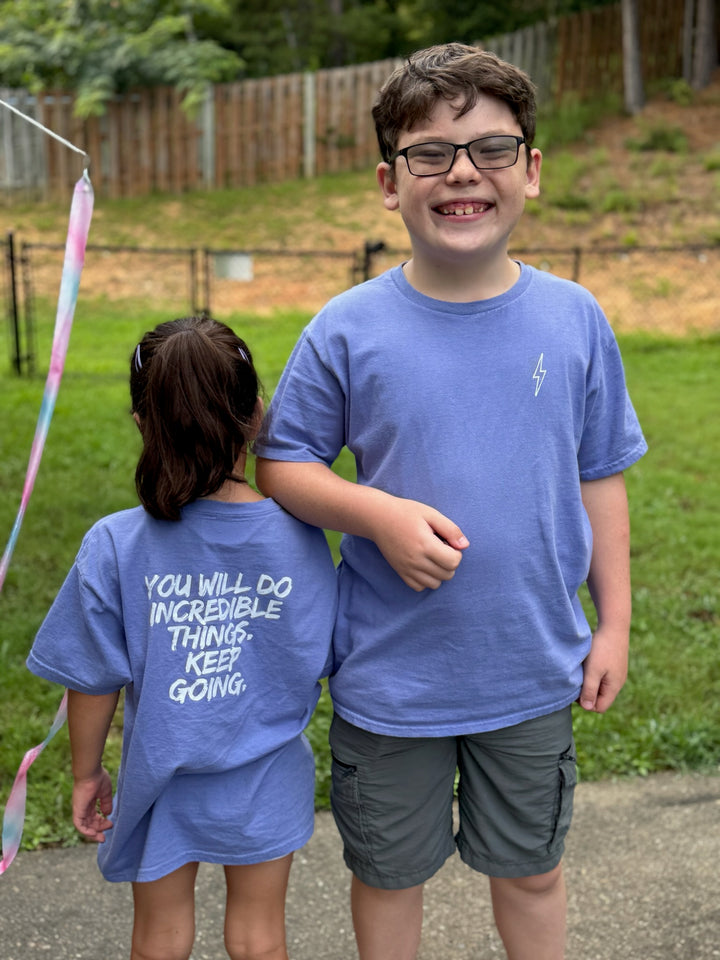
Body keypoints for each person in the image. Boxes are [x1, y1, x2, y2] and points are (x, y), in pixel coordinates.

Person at [254, 43, 647, 960]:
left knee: (534, 871)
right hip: (391, 678)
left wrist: (615, 622)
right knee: (390, 878)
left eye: (491, 148)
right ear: (390, 183)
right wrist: (377, 514)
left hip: (529, 666)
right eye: (430, 152)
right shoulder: (345, 329)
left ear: (531, 170)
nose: (463, 171)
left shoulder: (576, 318)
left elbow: (602, 475)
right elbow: (282, 465)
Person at [26, 316, 337, 960]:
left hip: (160, 777)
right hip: (269, 775)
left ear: (142, 423)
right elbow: (324, 652)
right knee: (260, 937)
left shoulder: (114, 545)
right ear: (257, 414)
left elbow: (91, 677)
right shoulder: (303, 535)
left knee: (160, 939)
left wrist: (86, 773)